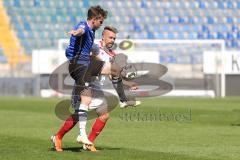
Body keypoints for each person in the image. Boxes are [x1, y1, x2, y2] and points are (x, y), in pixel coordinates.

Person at [51, 25, 140, 152]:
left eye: (114, 38)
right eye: (110, 37)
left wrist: (128, 83)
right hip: (83, 83)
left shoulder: (112, 55)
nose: (112, 41)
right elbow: (89, 59)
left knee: (104, 115)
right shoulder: (93, 46)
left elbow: (112, 75)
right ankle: (58, 137)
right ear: (103, 36)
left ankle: (89, 142)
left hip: (96, 87)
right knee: (78, 115)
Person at [51, 5, 108, 152]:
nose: (101, 24)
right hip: (78, 65)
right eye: (100, 21)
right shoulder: (84, 26)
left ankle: (65, 137)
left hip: (84, 66)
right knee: (86, 100)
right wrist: (75, 32)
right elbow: (80, 31)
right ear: (94, 19)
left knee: (84, 108)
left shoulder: (92, 32)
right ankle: (82, 135)